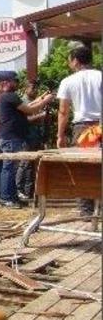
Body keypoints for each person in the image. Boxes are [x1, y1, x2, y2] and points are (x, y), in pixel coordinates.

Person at [0, 70, 54, 209]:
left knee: (11, 168)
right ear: (6, 82)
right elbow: (30, 110)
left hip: (11, 137)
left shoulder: (9, 97)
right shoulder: (10, 96)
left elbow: (29, 106)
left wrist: (41, 98)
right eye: (14, 80)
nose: (17, 83)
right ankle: (7, 198)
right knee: (9, 168)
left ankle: (12, 197)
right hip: (10, 137)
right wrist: (45, 101)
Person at [56, 44, 102, 217]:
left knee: (82, 168)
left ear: (75, 60)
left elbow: (63, 111)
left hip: (83, 128)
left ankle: (86, 210)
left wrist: (60, 135)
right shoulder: (100, 76)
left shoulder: (68, 81)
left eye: (69, 60)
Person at [17, 81, 47, 199]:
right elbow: (24, 120)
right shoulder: (23, 102)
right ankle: (19, 189)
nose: (35, 91)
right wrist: (39, 116)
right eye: (33, 88)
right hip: (27, 136)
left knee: (34, 164)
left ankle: (29, 191)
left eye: (37, 88)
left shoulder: (36, 102)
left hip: (36, 136)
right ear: (26, 89)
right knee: (24, 164)